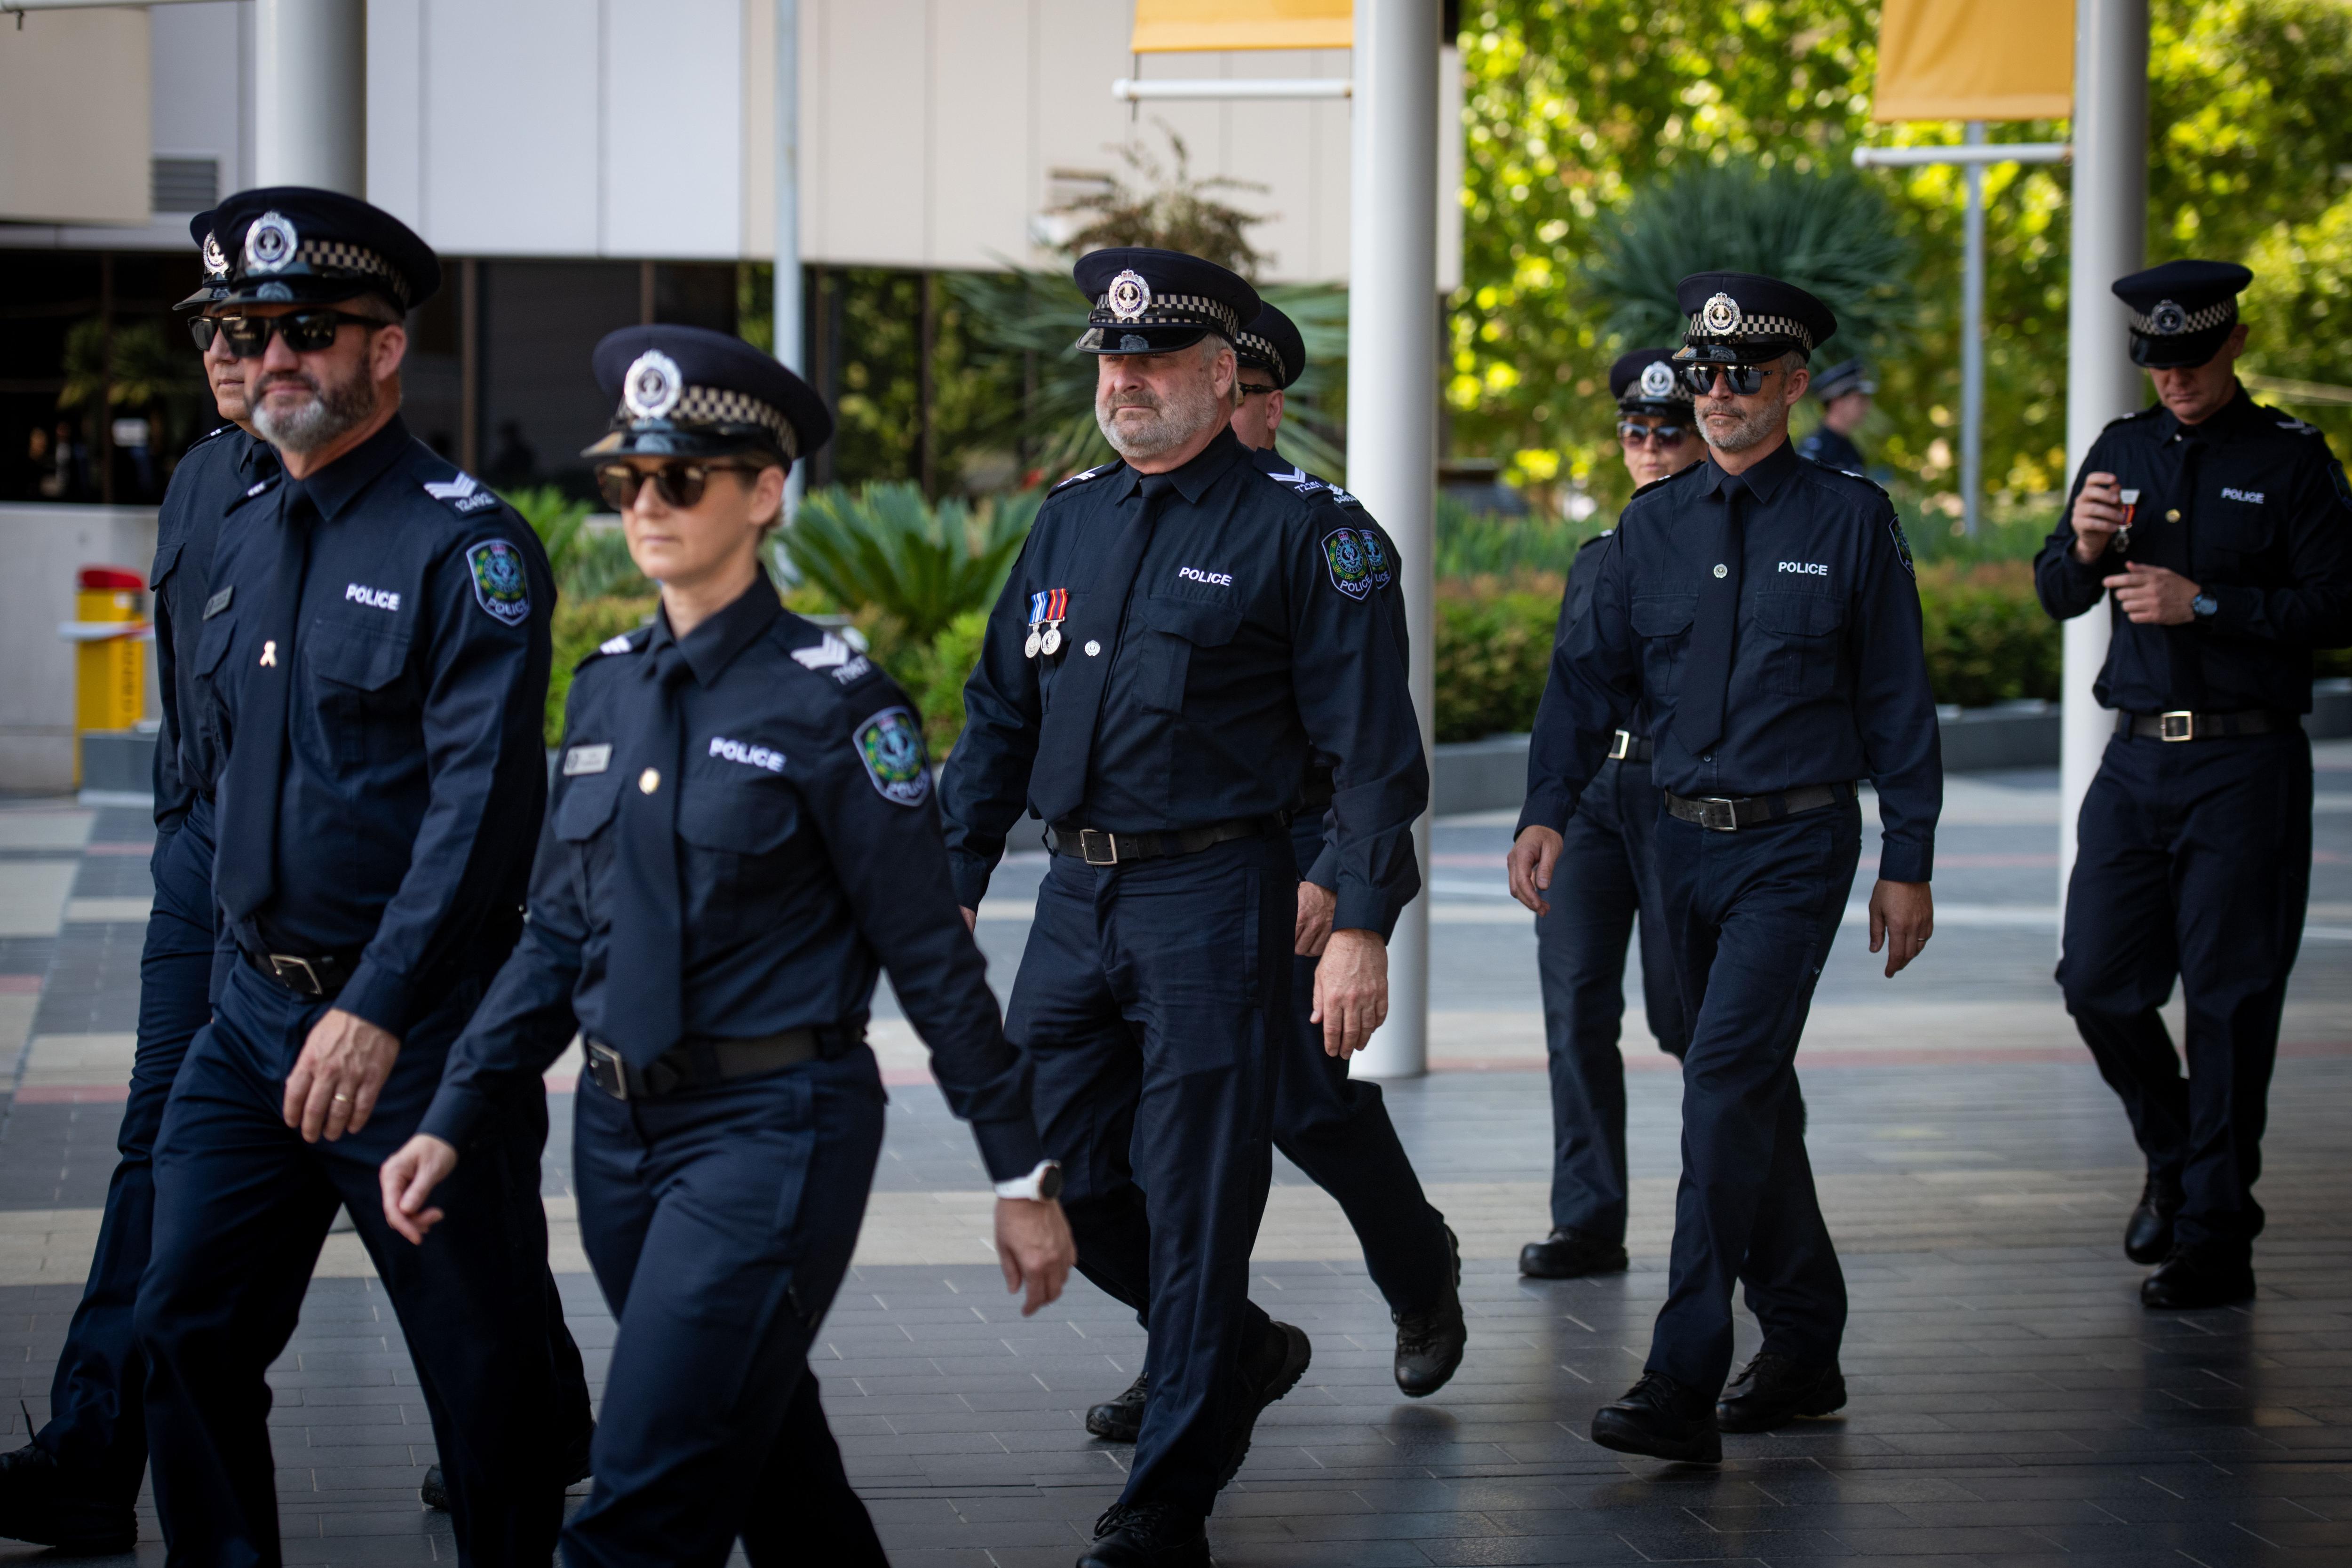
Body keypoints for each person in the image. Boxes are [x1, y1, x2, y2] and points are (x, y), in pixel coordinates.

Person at [377, 324, 1077, 1566]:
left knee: (644, 1499)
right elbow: (557, 940)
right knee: (770, 1460)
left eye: (681, 477)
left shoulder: (837, 701)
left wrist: (1018, 1176)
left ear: (764, 493)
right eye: (626, 478)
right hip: (617, 1141)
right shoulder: (604, 686)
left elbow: (929, 955)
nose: (646, 504)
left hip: (772, 1132)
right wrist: (451, 1115)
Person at [941, 248, 1428, 1568]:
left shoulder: (1307, 531)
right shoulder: (1071, 518)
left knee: (1199, 1195)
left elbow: (1373, 753)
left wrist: (1362, 923)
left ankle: (1168, 1499)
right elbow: (997, 714)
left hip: (1217, 895)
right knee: (1049, 1160)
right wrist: (947, 880)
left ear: (1222, 375)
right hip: (1076, 891)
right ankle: (1238, 1351)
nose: (1126, 382)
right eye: (1112, 360)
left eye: (1154, 361)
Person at [130, 187, 584, 1565]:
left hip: (417, 1036)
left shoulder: (466, 545)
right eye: (243, 330)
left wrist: (377, 1005)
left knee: (484, 1378)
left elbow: (479, 813)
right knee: (180, 1328)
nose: (271, 356)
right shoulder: (249, 525)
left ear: (385, 350)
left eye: (308, 330)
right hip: (252, 1022)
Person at [1508, 272, 1940, 1462]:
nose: (1715, 394)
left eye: (1741, 374)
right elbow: (1583, 684)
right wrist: (1546, 810)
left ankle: (1682, 1375)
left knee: (1720, 1085)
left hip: (1794, 847)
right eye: (1703, 373)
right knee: (1737, 1087)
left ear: (1793, 385)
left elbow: (1898, 698)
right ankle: (1802, 1342)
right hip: (1671, 839)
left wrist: (1907, 857)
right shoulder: (1648, 528)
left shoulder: (1850, 520)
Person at [1077, 303, 1462, 1448]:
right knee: (1143, 1135)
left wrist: (1341, 886)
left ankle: (1418, 1272)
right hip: (1165, 876)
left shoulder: (1319, 537)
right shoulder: (1118, 518)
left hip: (1296, 853)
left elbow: (1370, 747)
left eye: (1236, 394)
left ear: (1264, 403)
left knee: (1304, 1103)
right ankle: (1201, 1348)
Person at [0, 214, 275, 1556]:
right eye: (211, 328)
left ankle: (533, 1413)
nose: (223, 350)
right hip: (197, 871)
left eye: (251, 327)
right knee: (150, 1146)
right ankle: (91, 1451)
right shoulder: (198, 480)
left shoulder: (377, 503)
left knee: (431, 1188)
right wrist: (179, 837)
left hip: (326, 901)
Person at [2034, 260, 2352, 1311]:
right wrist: (2085, 547)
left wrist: (2204, 602)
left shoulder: (2291, 458)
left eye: (2192, 357)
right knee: (2094, 979)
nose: (2173, 376)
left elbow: (2338, 602)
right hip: (2135, 757)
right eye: (2157, 359)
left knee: (2228, 1001)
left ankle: (2214, 1236)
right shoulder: (2122, 448)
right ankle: (2175, 1155)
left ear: (2235, 343)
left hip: (2244, 761)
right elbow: (2056, 589)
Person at [1518, 349, 1702, 1284]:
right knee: (1576, 1005)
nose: (1651, 447)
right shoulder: (1599, 555)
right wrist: (1542, 811)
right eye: (1635, 432)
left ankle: (1739, 1203)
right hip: (1595, 800)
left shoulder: (1723, 551)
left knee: (1689, 1018)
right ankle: (1587, 1220)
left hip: (1680, 799)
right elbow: (1569, 694)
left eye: (1670, 432)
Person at [1796, 358, 1874, 473]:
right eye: (1859, 400)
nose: (1867, 407)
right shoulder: (1815, 452)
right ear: (1837, 404)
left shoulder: (1852, 451)